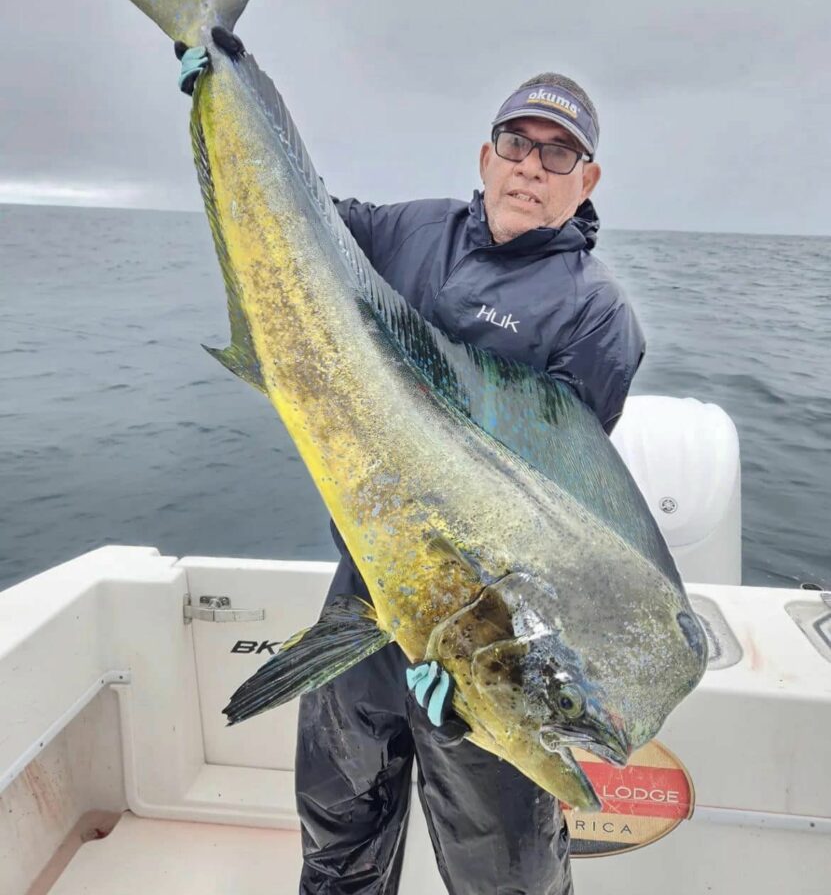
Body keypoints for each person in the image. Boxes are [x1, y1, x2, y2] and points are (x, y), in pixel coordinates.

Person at [178, 50, 645, 894]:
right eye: (515, 142)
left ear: (587, 179)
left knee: (503, 872)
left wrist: (481, 674)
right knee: (338, 827)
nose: (530, 167)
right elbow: (291, 215)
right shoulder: (411, 230)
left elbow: (550, 509)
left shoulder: (595, 313)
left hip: (486, 620)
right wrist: (229, 90)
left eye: (557, 154)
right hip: (370, 579)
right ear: (485, 156)